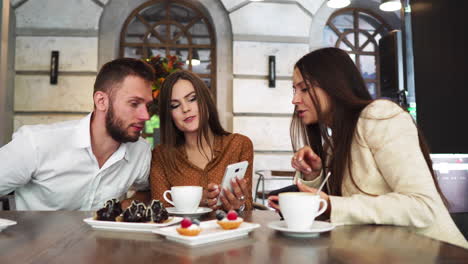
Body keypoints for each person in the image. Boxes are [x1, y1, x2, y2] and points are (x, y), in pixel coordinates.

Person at [268, 47, 467, 248]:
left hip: (438, 254)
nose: (295, 100)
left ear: (333, 85)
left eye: (304, 89)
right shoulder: (337, 140)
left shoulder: (379, 116)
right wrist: (313, 175)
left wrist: (330, 205)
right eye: (295, 90)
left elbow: (423, 206)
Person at [0, 58, 155, 210]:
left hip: (102, 236)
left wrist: (124, 207)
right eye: (134, 103)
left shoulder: (140, 152)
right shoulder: (36, 143)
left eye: (147, 106)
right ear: (101, 101)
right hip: (29, 235)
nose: (146, 116)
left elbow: (147, 190)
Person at [150, 70, 253, 212]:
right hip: (181, 233)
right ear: (169, 115)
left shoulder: (238, 144)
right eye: (175, 105)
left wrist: (239, 205)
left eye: (192, 99)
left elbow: (247, 205)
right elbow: (159, 211)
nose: (185, 109)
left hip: (227, 232)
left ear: (206, 100)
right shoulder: (161, 155)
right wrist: (196, 200)